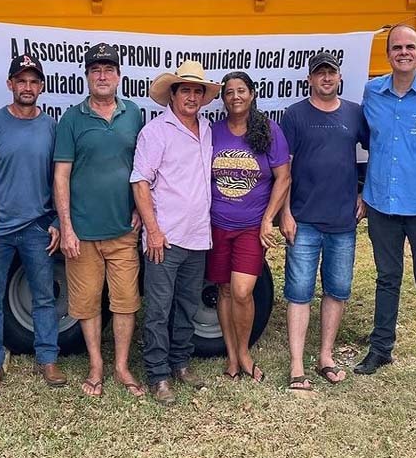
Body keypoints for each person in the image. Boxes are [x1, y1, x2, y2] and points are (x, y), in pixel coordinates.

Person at [354, 24, 416, 390]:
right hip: (381, 202)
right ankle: (381, 349)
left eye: (409, 47)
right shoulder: (372, 93)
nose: (403, 52)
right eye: (396, 47)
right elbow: (365, 140)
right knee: (387, 278)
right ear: (388, 54)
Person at [54, 44, 145, 398]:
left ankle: (121, 366)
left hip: (124, 230)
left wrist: (140, 207)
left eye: (108, 69)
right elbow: (61, 175)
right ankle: (96, 365)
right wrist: (66, 227)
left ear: (119, 76)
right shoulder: (71, 119)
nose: (102, 75)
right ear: (88, 76)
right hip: (83, 233)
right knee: (87, 303)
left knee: (125, 301)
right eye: (96, 70)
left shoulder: (134, 114)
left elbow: (143, 168)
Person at [131, 61, 220, 404]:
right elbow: (140, 182)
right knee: (158, 309)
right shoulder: (155, 132)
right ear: (172, 94)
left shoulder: (208, 129)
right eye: (186, 90)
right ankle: (158, 374)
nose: (192, 96)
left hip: (198, 235)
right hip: (164, 238)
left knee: (186, 307)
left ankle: (181, 363)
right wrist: (152, 230)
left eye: (198, 91)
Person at [0, 54, 64, 395]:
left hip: (38, 228)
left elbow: (60, 178)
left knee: (44, 296)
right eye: (21, 81)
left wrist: (56, 218)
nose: (27, 87)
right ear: (10, 84)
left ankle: (48, 358)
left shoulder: (51, 127)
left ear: (41, 86)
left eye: (33, 81)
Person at [279, 52, 367, 392]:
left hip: (343, 221)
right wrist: (285, 212)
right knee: (299, 292)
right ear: (310, 80)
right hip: (303, 221)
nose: (326, 78)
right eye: (320, 74)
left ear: (340, 77)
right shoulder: (295, 115)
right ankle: (297, 365)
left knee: (337, 290)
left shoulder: (354, 114)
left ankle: (326, 357)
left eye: (331, 73)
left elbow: (372, 154)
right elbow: (283, 169)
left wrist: (365, 193)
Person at [210, 71, 290, 383]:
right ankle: (232, 357)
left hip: (250, 227)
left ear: (252, 94)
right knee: (225, 290)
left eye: (241, 90)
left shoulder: (268, 130)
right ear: (223, 99)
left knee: (243, 291)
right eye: (229, 92)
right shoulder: (214, 132)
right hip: (217, 224)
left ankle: (244, 352)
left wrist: (268, 218)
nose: (235, 97)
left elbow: (284, 177)